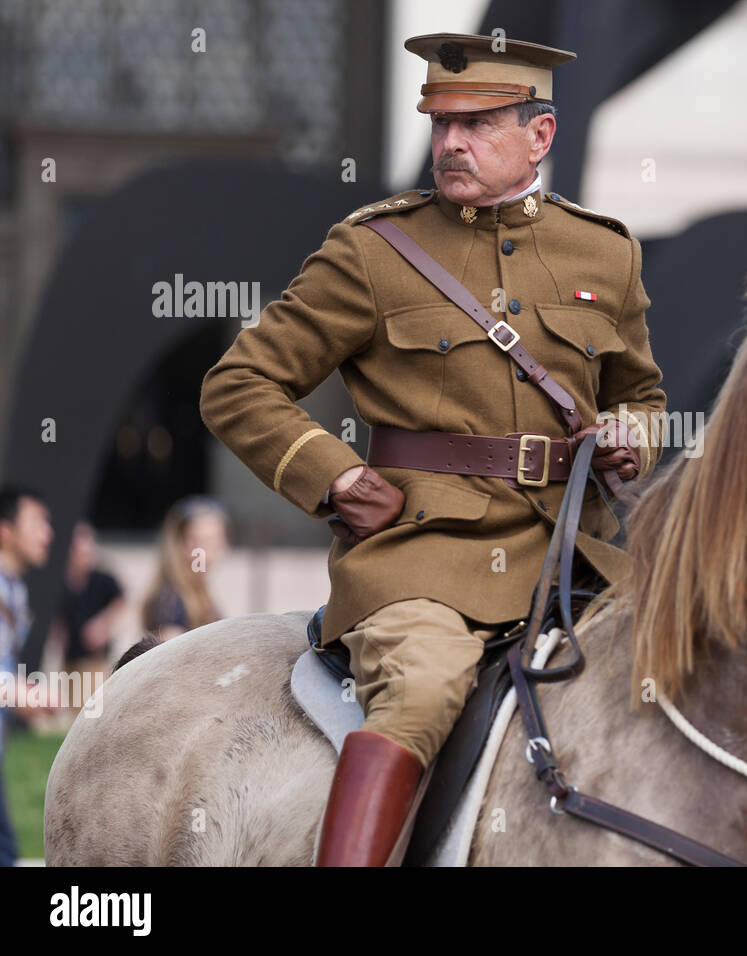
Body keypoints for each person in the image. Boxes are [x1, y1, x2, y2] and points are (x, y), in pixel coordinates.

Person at [199, 32, 667, 866]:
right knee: (420, 694)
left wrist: (633, 431)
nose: (450, 143)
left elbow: (640, 392)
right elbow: (238, 384)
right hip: (422, 561)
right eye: (440, 123)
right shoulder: (373, 252)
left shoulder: (606, 251)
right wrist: (332, 474)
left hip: (578, 558)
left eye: (479, 124)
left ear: (540, 136)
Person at [0, 484, 54, 866]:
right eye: (36, 522)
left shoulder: (14, 591)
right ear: (5, 531)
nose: (48, 533)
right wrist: (16, 691)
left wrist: (19, 697)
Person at [140, 496, 230, 641]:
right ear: (184, 544)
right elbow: (176, 658)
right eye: (206, 541)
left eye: (217, 540)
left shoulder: (197, 594)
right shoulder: (170, 602)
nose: (218, 549)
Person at [55, 520, 126, 683]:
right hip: (70, 659)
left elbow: (121, 603)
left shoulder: (102, 579)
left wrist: (103, 625)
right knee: (75, 705)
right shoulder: (62, 583)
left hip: (96, 659)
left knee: (94, 703)